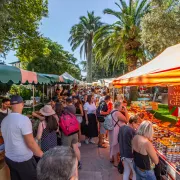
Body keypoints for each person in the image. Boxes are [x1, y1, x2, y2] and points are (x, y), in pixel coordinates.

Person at [1, 95, 43, 180]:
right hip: (23, 160)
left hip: (9, 159)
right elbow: (30, 143)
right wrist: (42, 155)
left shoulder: (4, 121)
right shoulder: (24, 119)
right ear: (22, 104)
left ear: (11, 105)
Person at [56, 103, 81, 169]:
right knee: (76, 148)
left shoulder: (58, 115)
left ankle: (67, 166)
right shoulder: (68, 112)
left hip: (66, 135)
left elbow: (58, 128)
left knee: (66, 150)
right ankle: (78, 163)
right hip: (74, 132)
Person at [118, 115, 139, 180]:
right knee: (135, 173)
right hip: (130, 155)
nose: (138, 125)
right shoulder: (132, 131)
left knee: (126, 171)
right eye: (137, 124)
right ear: (133, 123)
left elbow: (118, 139)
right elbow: (135, 144)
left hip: (123, 154)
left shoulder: (122, 127)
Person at [109, 101, 129, 167]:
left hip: (112, 129)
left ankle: (112, 158)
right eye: (121, 106)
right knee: (116, 145)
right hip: (117, 130)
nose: (122, 107)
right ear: (118, 106)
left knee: (112, 144)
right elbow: (127, 120)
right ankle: (116, 162)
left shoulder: (112, 110)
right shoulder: (117, 113)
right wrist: (126, 110)